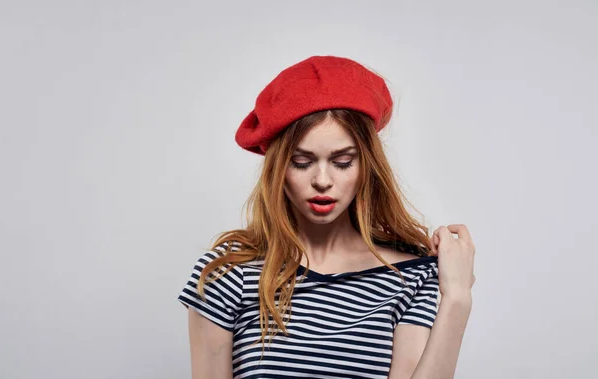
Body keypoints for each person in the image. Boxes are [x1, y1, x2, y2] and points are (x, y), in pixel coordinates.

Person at [177, 55, 476, 379]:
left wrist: (457, 300)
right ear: (277, 168)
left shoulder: (408, 277)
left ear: (367, 166)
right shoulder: (229, 273)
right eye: (302, 162)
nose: (322, 180)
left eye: (343, 162)